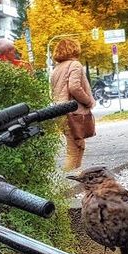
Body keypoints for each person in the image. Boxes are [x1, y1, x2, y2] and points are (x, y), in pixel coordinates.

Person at [51, 38, 95, 171]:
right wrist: (88, 101)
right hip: (74, 112)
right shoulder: (75, 65)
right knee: (73, 150)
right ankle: (68, 181)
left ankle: (76, 176)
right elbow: (74, 87)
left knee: (78, 145)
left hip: (61, 112)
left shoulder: (57, 69)